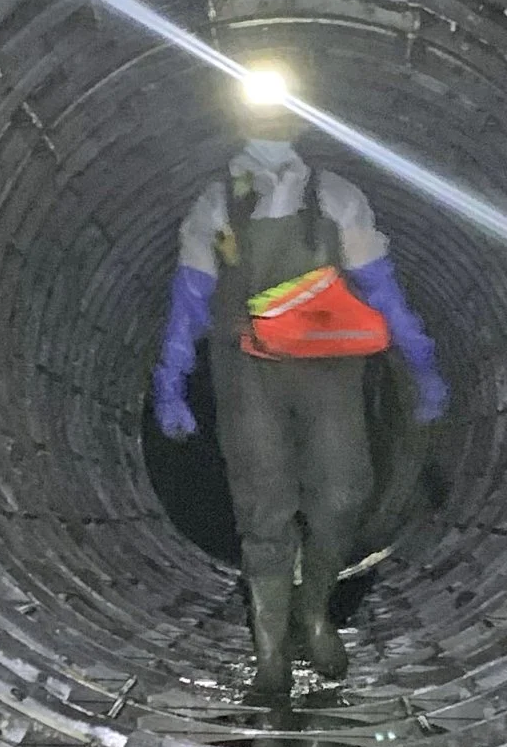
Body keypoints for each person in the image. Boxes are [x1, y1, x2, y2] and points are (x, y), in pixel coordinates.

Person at [153, 70, 447, 702]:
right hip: (248, 370)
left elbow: (379, 284)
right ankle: (269, 657)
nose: (270, 126)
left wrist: (418, 356)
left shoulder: (335, 197)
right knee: (264, 507)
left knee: (343, 495)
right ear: (240, 123)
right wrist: (171, 376)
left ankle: (314, 613)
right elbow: (192, 295)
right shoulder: (216, 204)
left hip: (329, 366)